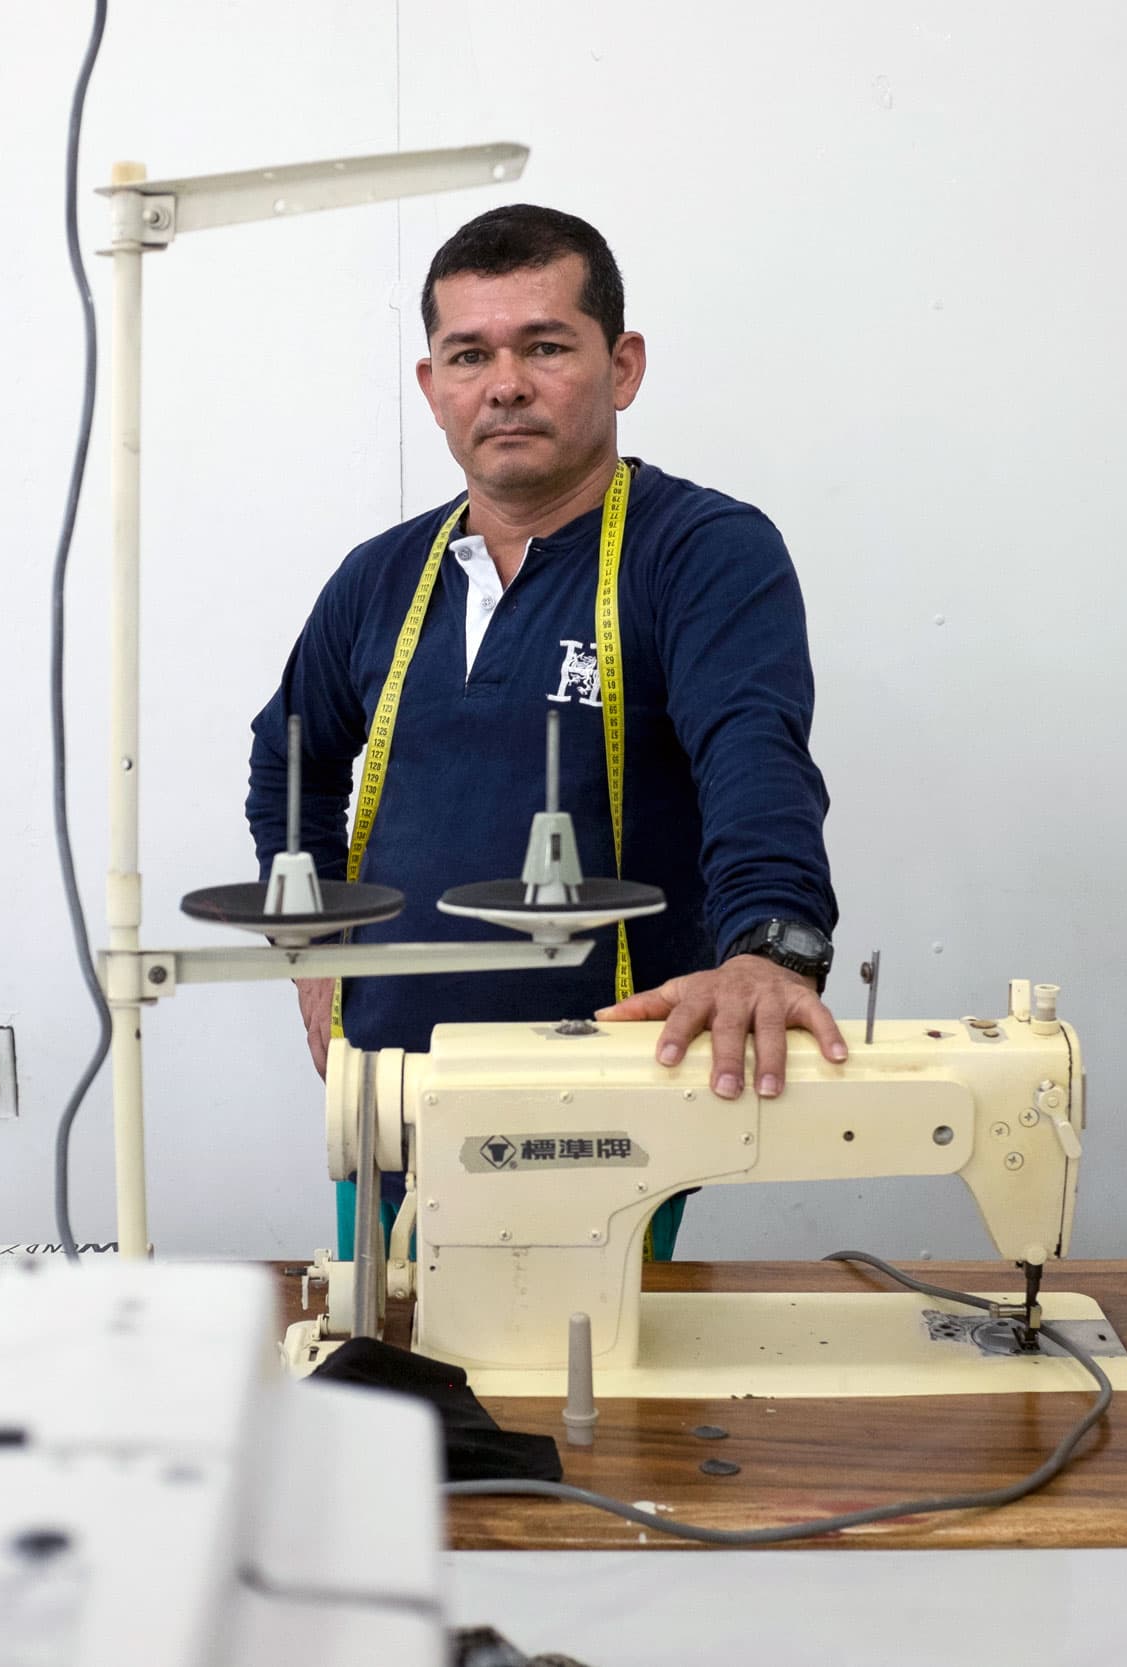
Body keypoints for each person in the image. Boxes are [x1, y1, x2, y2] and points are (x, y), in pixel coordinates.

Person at [246, 204, 842, 1255]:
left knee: (594, 1395)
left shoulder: (701, 553)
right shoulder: (380, 577)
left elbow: (751, 750)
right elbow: (287, 759)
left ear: (622, 366)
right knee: (396, 1379)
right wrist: (313, 944)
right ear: (432, 386)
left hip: (608, 1103)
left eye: (545, 346)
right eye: (469, 353)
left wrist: (769, 948)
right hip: (392, 1092)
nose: (505, 382)